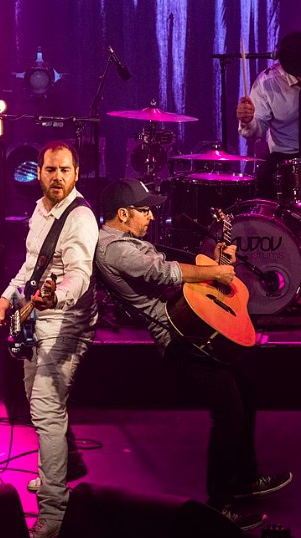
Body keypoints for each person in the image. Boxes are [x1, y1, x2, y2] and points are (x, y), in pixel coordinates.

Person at [94, 178, 293, 531]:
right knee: (228, 412)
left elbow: (176, 273)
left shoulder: (129, 240)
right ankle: (220, 505)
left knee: (245, 394)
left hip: (189, 325)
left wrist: (214, 262)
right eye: (145, 211)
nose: (152, 217)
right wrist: (214, 270)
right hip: (180, 335)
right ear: (123, 214)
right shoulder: (113, 249)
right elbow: (165, 272)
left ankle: (244, 479)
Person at [0, 141, 97, 538]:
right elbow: (31, 265)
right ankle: (53, 471)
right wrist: (6, 298)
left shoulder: (80, 217)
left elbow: (79, 274)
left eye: (65, 170)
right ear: (39, 173)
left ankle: (54, 508)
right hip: (37, 314)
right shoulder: (40, 210)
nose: (57, 178)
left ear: (76, 173)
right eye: (51, 170)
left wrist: (57, 295)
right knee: (35, 397)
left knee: (47, 409)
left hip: (67, 318)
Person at [236, 30, 301, 199]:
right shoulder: (267, 82)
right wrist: (248, 120)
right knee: (265, 184)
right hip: (285, 157)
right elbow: (255, 131)